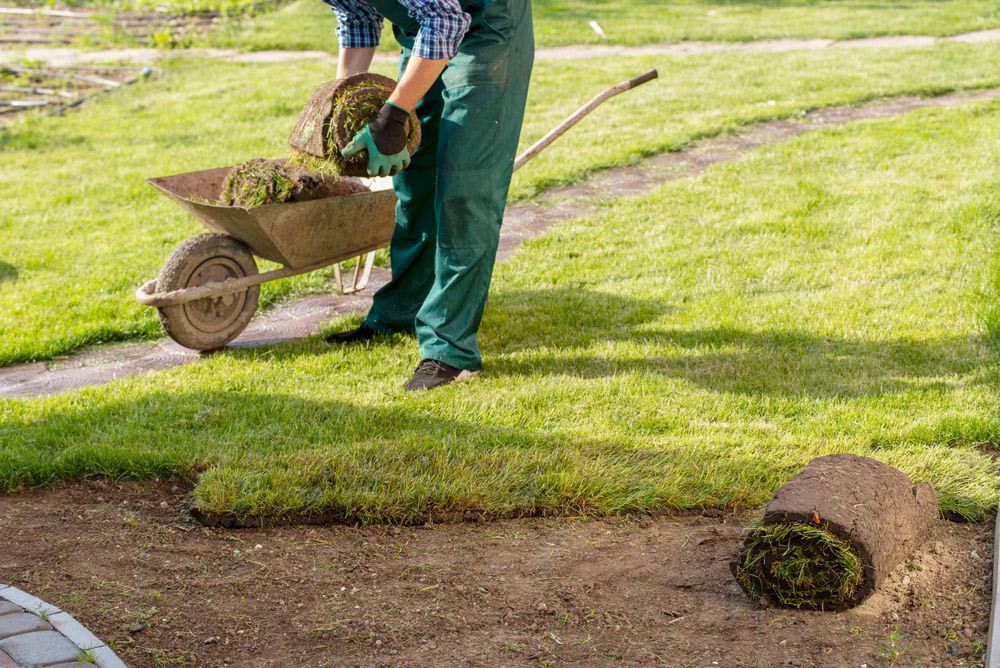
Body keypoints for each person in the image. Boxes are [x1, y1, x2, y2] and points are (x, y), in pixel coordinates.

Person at [322, 0, 534, 391]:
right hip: (426, 32)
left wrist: (393, 114)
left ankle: (449, 350)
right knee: (413, 178)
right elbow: (357, 17)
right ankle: (401, 311)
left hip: (487, 31)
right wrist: (343, 103)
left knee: (465, 187)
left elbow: (447, 18)